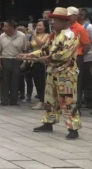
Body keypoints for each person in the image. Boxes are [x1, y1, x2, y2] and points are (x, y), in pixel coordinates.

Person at [20, 8, 81, 140]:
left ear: (64, 22)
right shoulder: (53, 35)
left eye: (55, 20)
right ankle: (48, 122)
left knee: (67, 100)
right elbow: (44, 50)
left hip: (66, 73)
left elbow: (64, 55)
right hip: (52, 72)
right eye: (52, 20)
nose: (52, 22)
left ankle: (73, 128)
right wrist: (30, 55)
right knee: (50, 99)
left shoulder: (71, 35)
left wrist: (46, 59)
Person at [0, 19, 27, 106]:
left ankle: (14, 100)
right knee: (4, 80)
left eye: (5, 26)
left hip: (17, 60)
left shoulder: (22, 36)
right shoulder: (2, 36)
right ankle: (4, 100)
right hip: (5, 60)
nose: (3, 28)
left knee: (15, 81)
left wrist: (24, 62)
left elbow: (25, 51)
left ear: (12, 27)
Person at [68, 7, 91, 112]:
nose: (68, 17)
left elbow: (87, 45)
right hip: (67, 57)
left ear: (75, 16)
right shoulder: (66, 27)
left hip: (77, 58)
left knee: (77, 82)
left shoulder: (81, 28)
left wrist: (80, 54)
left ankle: (77, 106)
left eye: (70, 15)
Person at [27, 19, 50, 110]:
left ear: (45, 27)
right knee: (36, 80)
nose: (38, 27)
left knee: (41, 81)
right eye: (37, 25)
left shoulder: (46, 35)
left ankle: (43, 100)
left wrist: (34, 34)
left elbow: (41, 44)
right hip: (33, 60)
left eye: (40, 25)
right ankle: (41, 99)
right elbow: (32, 45)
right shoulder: (36, 35)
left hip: (41, 60)